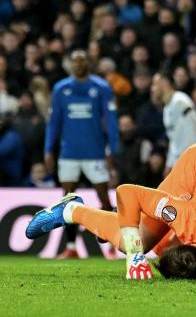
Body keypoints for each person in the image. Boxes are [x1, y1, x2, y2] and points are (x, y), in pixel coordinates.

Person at [26, 141, 196, 281]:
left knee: (139, 237)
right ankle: (75, 212)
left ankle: (79, 212)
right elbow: (126, 190)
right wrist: (134, 257)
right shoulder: (188, 218)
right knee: (138, 243)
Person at [44, 49, 119, 259]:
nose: (78, 64)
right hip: (69, 153)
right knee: (68, 200)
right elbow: (53, 123)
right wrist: (48, 149)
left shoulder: (101, 87)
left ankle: (114, 244)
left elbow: (111, 121)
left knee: (104, 199)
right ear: (69, 64)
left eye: (82, 60)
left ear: (89, 63)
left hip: (94, 152)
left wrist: (113, 148)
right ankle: (71, 247)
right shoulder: (61, 89)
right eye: (74, 61)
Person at [150, 71, 196, 171]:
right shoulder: (167, 107)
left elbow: (192, 135)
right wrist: (170, 164)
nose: (152, 88)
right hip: (179, 162)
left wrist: (183, 164)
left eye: (155, 84)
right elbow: (174, 139)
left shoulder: (180, 102)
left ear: (165, 83)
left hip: (189, 163)